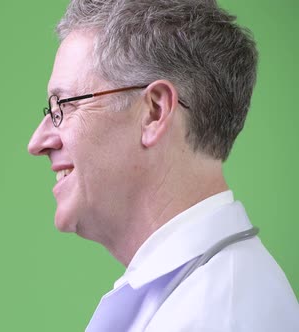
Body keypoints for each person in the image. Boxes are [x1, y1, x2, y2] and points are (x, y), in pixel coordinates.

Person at [27, 0, 299, 330]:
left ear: (154, 112)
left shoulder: (218, 314)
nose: (37, 143)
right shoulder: (201, 294)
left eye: (64, 106)